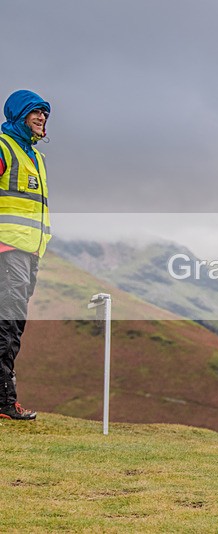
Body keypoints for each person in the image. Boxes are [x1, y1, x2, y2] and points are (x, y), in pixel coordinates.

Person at [0, 89, 53, 420]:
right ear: (18, 114)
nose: (42, 118)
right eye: (35, 112)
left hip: (27, 252)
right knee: (7, 325)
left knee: (12, 325)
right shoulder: (4, 147)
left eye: (45, 114)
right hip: (7, 249)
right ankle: (4, 402)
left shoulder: (35, 157)